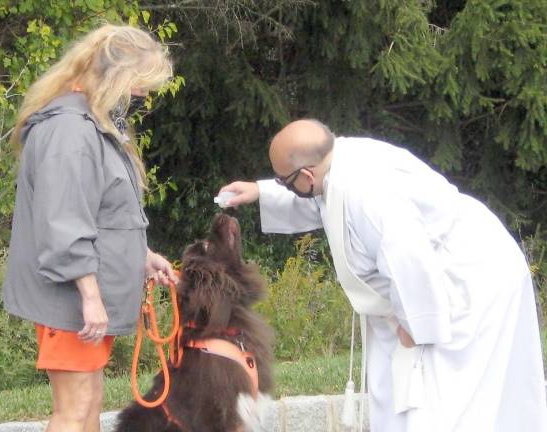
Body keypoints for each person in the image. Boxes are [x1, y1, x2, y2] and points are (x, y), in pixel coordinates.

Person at [220, 119, 547, 431]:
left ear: (306, 173)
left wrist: (417, 325)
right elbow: (324, 199)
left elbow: (409, 256)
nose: (283, 186)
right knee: (402, 388)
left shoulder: (368, 191)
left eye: (283, 181)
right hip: (438, 280)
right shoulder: (339, 160)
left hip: (472, 281)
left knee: (448, 397)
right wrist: (261, 191)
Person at [2, 25, 178, 432]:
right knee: (74, 408)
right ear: (117, 77)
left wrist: (143, 257)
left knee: (90, 402)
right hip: (71, 299)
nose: (142, 96)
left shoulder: (89, 124)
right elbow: (64, 224)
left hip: (84, 295)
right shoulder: (69, 131)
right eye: (139, 85)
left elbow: (105, 212)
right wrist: (90, 296)